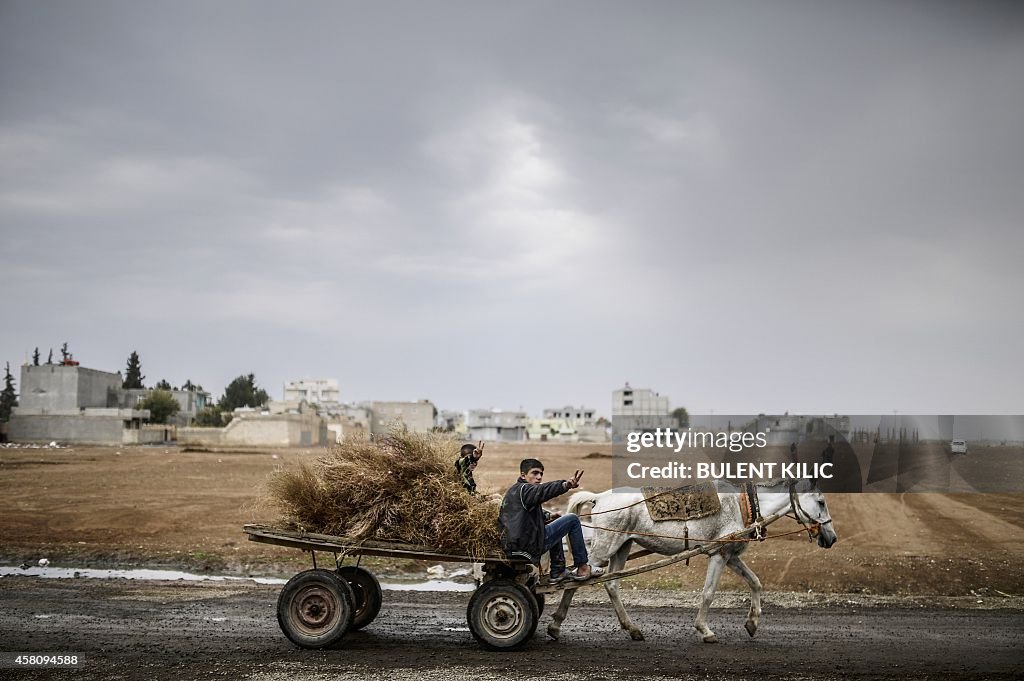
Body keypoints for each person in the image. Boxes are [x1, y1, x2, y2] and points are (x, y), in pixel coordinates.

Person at [498, 458, 600, 583]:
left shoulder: (515, 490)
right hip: (527, 544)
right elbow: (543, 491)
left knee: (555, 525)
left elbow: (524, 516)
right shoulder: (526, 489)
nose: (539, 477)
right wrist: (565, 485)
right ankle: (583, 568)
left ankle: (558, 571)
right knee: (572, 519)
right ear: (523, 475)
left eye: (541, 474)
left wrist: (549, 517)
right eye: (535, 473)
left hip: (517, 542)